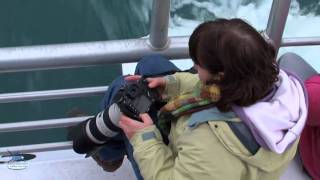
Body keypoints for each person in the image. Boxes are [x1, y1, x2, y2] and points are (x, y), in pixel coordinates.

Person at [118, 18, 308, 180]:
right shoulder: (278, 89)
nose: (194, 66)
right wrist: (169, 84)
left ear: (220, 75)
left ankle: (106, 153)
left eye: (198, 64)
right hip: (211, 160)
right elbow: (205, 85)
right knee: (150, 64)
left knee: (119, 94)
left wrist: (144, 138)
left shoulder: (209, 142)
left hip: (196, 162)